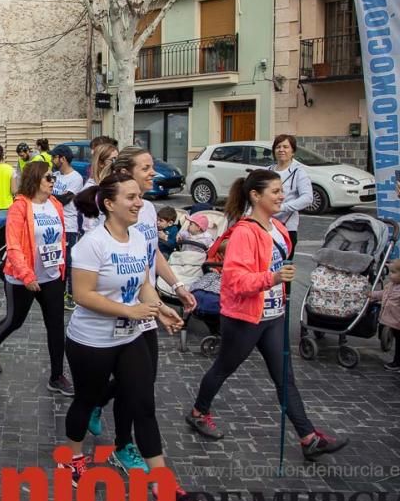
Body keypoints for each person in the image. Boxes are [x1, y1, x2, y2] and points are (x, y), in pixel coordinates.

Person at [186, 169, 348, 460]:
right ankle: (199, 412)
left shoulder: (279, 229)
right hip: (244, 318)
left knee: (285, 378)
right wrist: (272, 279)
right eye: (275, 191)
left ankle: (308, 437)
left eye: (281, 190)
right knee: (223, 368)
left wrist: (278, 283)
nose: (282, 196)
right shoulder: (245, 233)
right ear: (255, 195)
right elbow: (235, 281)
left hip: (274, 316)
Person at [61, 173, 192, 501]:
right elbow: (83, 295)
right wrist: (128, 311)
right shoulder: (91, 243)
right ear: (109, 204)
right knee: (87, 399)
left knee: (143, 405)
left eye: (139, 197)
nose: (139, 203)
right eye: (131, 198)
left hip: (131, 336)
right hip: (91, 340)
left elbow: (144, 283)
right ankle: (72, 457)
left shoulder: (136, 238)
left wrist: (159, 309)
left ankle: (160, 482)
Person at [85, 147, 196, 472]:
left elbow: (153, 255)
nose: (152, 173)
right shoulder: (113, 211)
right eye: (146, 168)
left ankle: (98, 401)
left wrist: (176, 286)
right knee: (139, 387)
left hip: (147, 305)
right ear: (127, 174)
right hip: (122, 308)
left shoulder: (147, 209)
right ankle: (124, 444)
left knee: (141, 382)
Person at [0, 160, 73, 396]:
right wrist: (26, 275)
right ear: (35, 180)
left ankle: (56, 376)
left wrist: (63, 269)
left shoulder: (55, 205)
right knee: (15, 320)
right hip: (22, 278)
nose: (53, 182)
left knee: (56, 325)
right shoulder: (19, 207)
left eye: (53, 178)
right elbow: (12, 246)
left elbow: (60, 239)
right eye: (49, 178)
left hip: (51, 276)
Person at [51, 145, 83, 310]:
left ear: (62, 158)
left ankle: (70, 295)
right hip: (53, 225)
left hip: (69, 226)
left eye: (54, 157)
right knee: (56, 260)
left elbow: (65, 199)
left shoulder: (75, 178)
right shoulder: (55, 175)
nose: (52, 161)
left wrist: (48, 195)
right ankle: (59, 291)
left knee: (69, 261)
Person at [268, 134, 313, 251]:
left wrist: (282, 207)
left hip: (287, 226)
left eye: (285, 147)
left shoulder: (299, 172)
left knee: (284, 264)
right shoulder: (266, 171)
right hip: (265, 225)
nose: (281, 150)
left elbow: (307, 198)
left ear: (293, 151)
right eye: (278, 147)